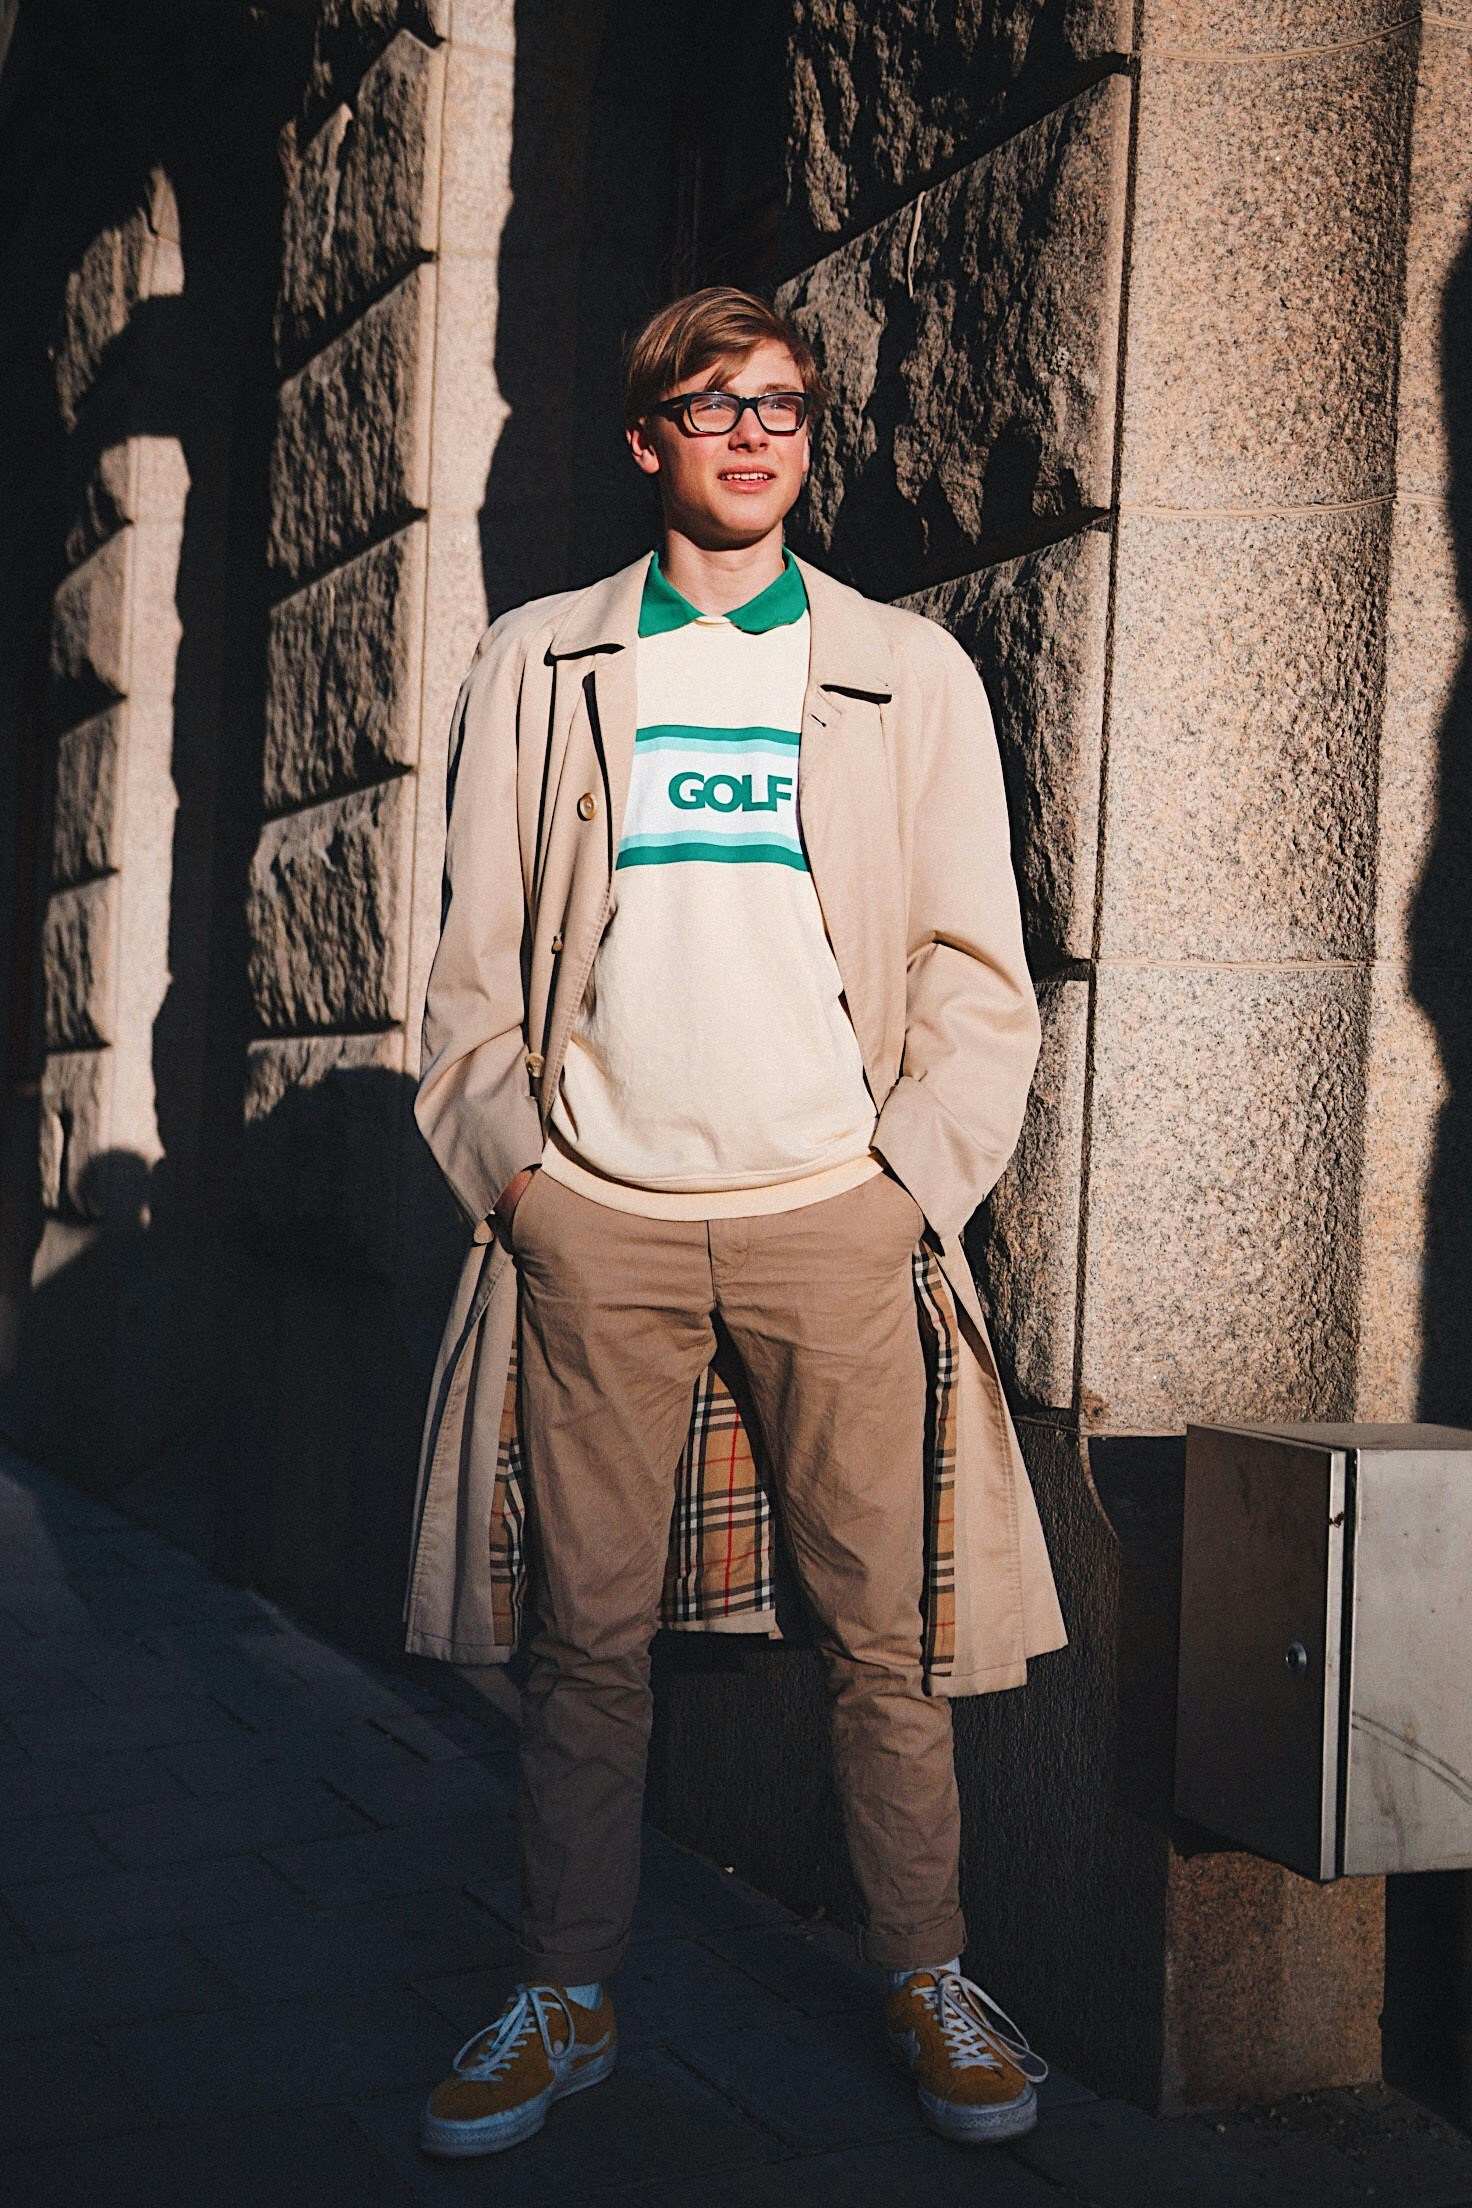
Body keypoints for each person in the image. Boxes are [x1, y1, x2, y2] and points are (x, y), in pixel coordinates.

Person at [406, 286, 1066, 2160]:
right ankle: (567, 1993)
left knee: (887, 1637)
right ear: (647, 443)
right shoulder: (539, 665)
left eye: (781, 404)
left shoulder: (901, 671)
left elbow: (976, 976)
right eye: (713, 405)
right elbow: (467, 981)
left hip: (830, 1224)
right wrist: (521, 1186)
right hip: (595, 1219)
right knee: (583, 1645)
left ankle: (929, 1978)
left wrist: (903, 1189)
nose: (755, 434)